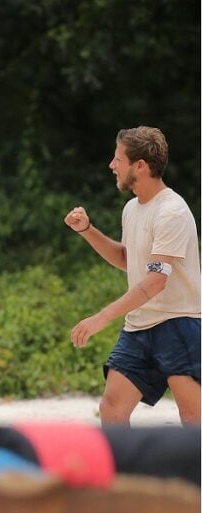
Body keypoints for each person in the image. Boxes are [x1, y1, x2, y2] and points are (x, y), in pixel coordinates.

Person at [65, 126, 200, 425]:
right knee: (112, 409)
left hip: (178, 324)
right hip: (139, 327)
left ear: (140, 165)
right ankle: (119, 460)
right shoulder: (132, 209)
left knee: (194, 418)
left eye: (118, 159)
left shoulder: (172, 211)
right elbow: (129, 260)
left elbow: (156, 280)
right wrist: (86, 230)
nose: (112, 165)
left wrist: (101, 317)